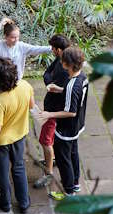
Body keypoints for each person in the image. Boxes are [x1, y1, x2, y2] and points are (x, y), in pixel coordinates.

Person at [0, 58, 34, 214]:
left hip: (0, 143)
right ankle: (23, 203)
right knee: (18, 167)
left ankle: (5, 202)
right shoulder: (25, 86)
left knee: (2, 173)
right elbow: (31, 105)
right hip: (20, 135)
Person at [38, 47, 88, 198]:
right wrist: (60, 89)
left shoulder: (72, 85)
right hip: (77, 126)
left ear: (68, 64)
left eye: (62, 61)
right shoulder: (83, 76)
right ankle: (75, 183)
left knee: (63, 160)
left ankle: (68, 191)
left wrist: (49, 114)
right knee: (73, 154)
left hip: (66, 129)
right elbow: (75, 95)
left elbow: (70, 112)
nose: (60, 62)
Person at [33, 34, 71, 189]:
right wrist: (50, 83)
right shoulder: (61, 58)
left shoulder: (64, 68)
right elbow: (46, 73)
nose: (52, 51)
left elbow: (53, 83)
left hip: (54, 111)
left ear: (59, 50)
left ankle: (48, 173)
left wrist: (51, 84)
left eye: (53, 49)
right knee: (51, 138)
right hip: (51, 106)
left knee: (45, 141)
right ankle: (52, 159)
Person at [0, 17, 52, 96]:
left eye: (17, 37)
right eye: (13, 37)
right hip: (0, 82)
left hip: (16, 83)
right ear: (5, 36)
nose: (16, 39)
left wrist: (52, 48)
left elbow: (37, 49)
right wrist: (1, 24)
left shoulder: (21, 46)